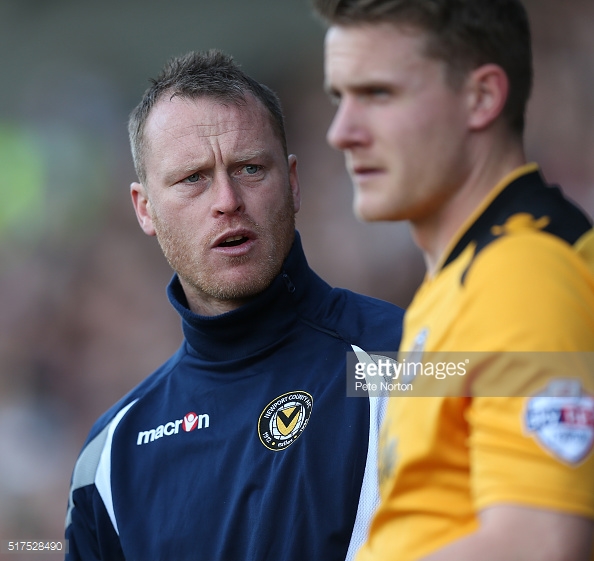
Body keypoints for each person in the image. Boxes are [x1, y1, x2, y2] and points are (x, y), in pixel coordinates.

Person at [63, 49, 404, 561]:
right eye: (193, 178)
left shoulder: (408, 359)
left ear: (291, 183)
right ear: (145, 208)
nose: (226, 199)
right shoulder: (109, 459)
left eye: (249, 168)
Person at [312, 0, 594, 560]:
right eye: (339, 98)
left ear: (482, 97)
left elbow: (540, 542)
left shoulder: (523, 273)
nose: (341, 132)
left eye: (378, 94)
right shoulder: (459, 282)